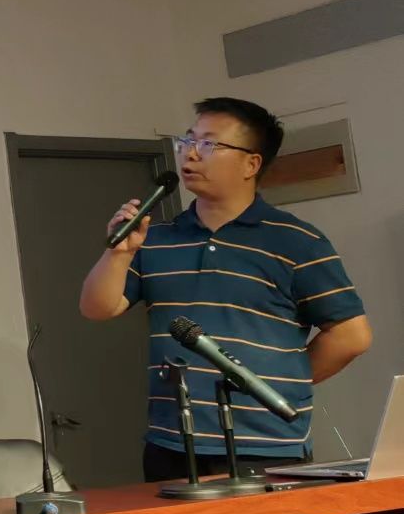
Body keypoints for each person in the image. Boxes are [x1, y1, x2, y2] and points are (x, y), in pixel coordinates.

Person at [79, 97, 372, 481]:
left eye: (208, 144)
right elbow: (98, 307)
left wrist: (267, 385)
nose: (190, 154)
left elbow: (351, 336)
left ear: (252, 163)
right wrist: (118, 253)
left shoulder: (296, 240)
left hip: (266, 445)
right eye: (187, 140)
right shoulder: (156, 238)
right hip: (173, 442)